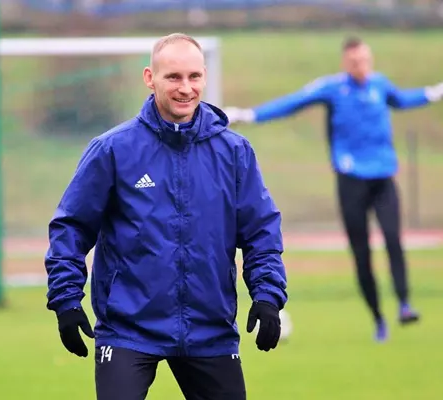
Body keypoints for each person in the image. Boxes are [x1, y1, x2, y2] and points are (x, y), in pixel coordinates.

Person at [44, 33, 288, 399]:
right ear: (150, 78)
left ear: (204, 77)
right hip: (128, 330)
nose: (185, 88)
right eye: (173, 77)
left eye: (194, 76)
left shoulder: (235, 152)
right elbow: (72, 227)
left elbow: (261, 232)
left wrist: (267, 295)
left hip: (210, 330)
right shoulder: (113, 149)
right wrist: (66, 299)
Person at [224, 36, 443, 343]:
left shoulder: (380, 85)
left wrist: (434, 92)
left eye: (364, 61)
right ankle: (378, 318)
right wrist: (250, 114)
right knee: (361, 252)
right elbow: (294, 102)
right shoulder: (333, 88)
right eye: (355, 62)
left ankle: (405, 304)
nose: (361, 66)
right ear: (345, 63)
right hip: (351, 181)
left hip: (383, 178)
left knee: (394, 239)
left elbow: (404, 99)